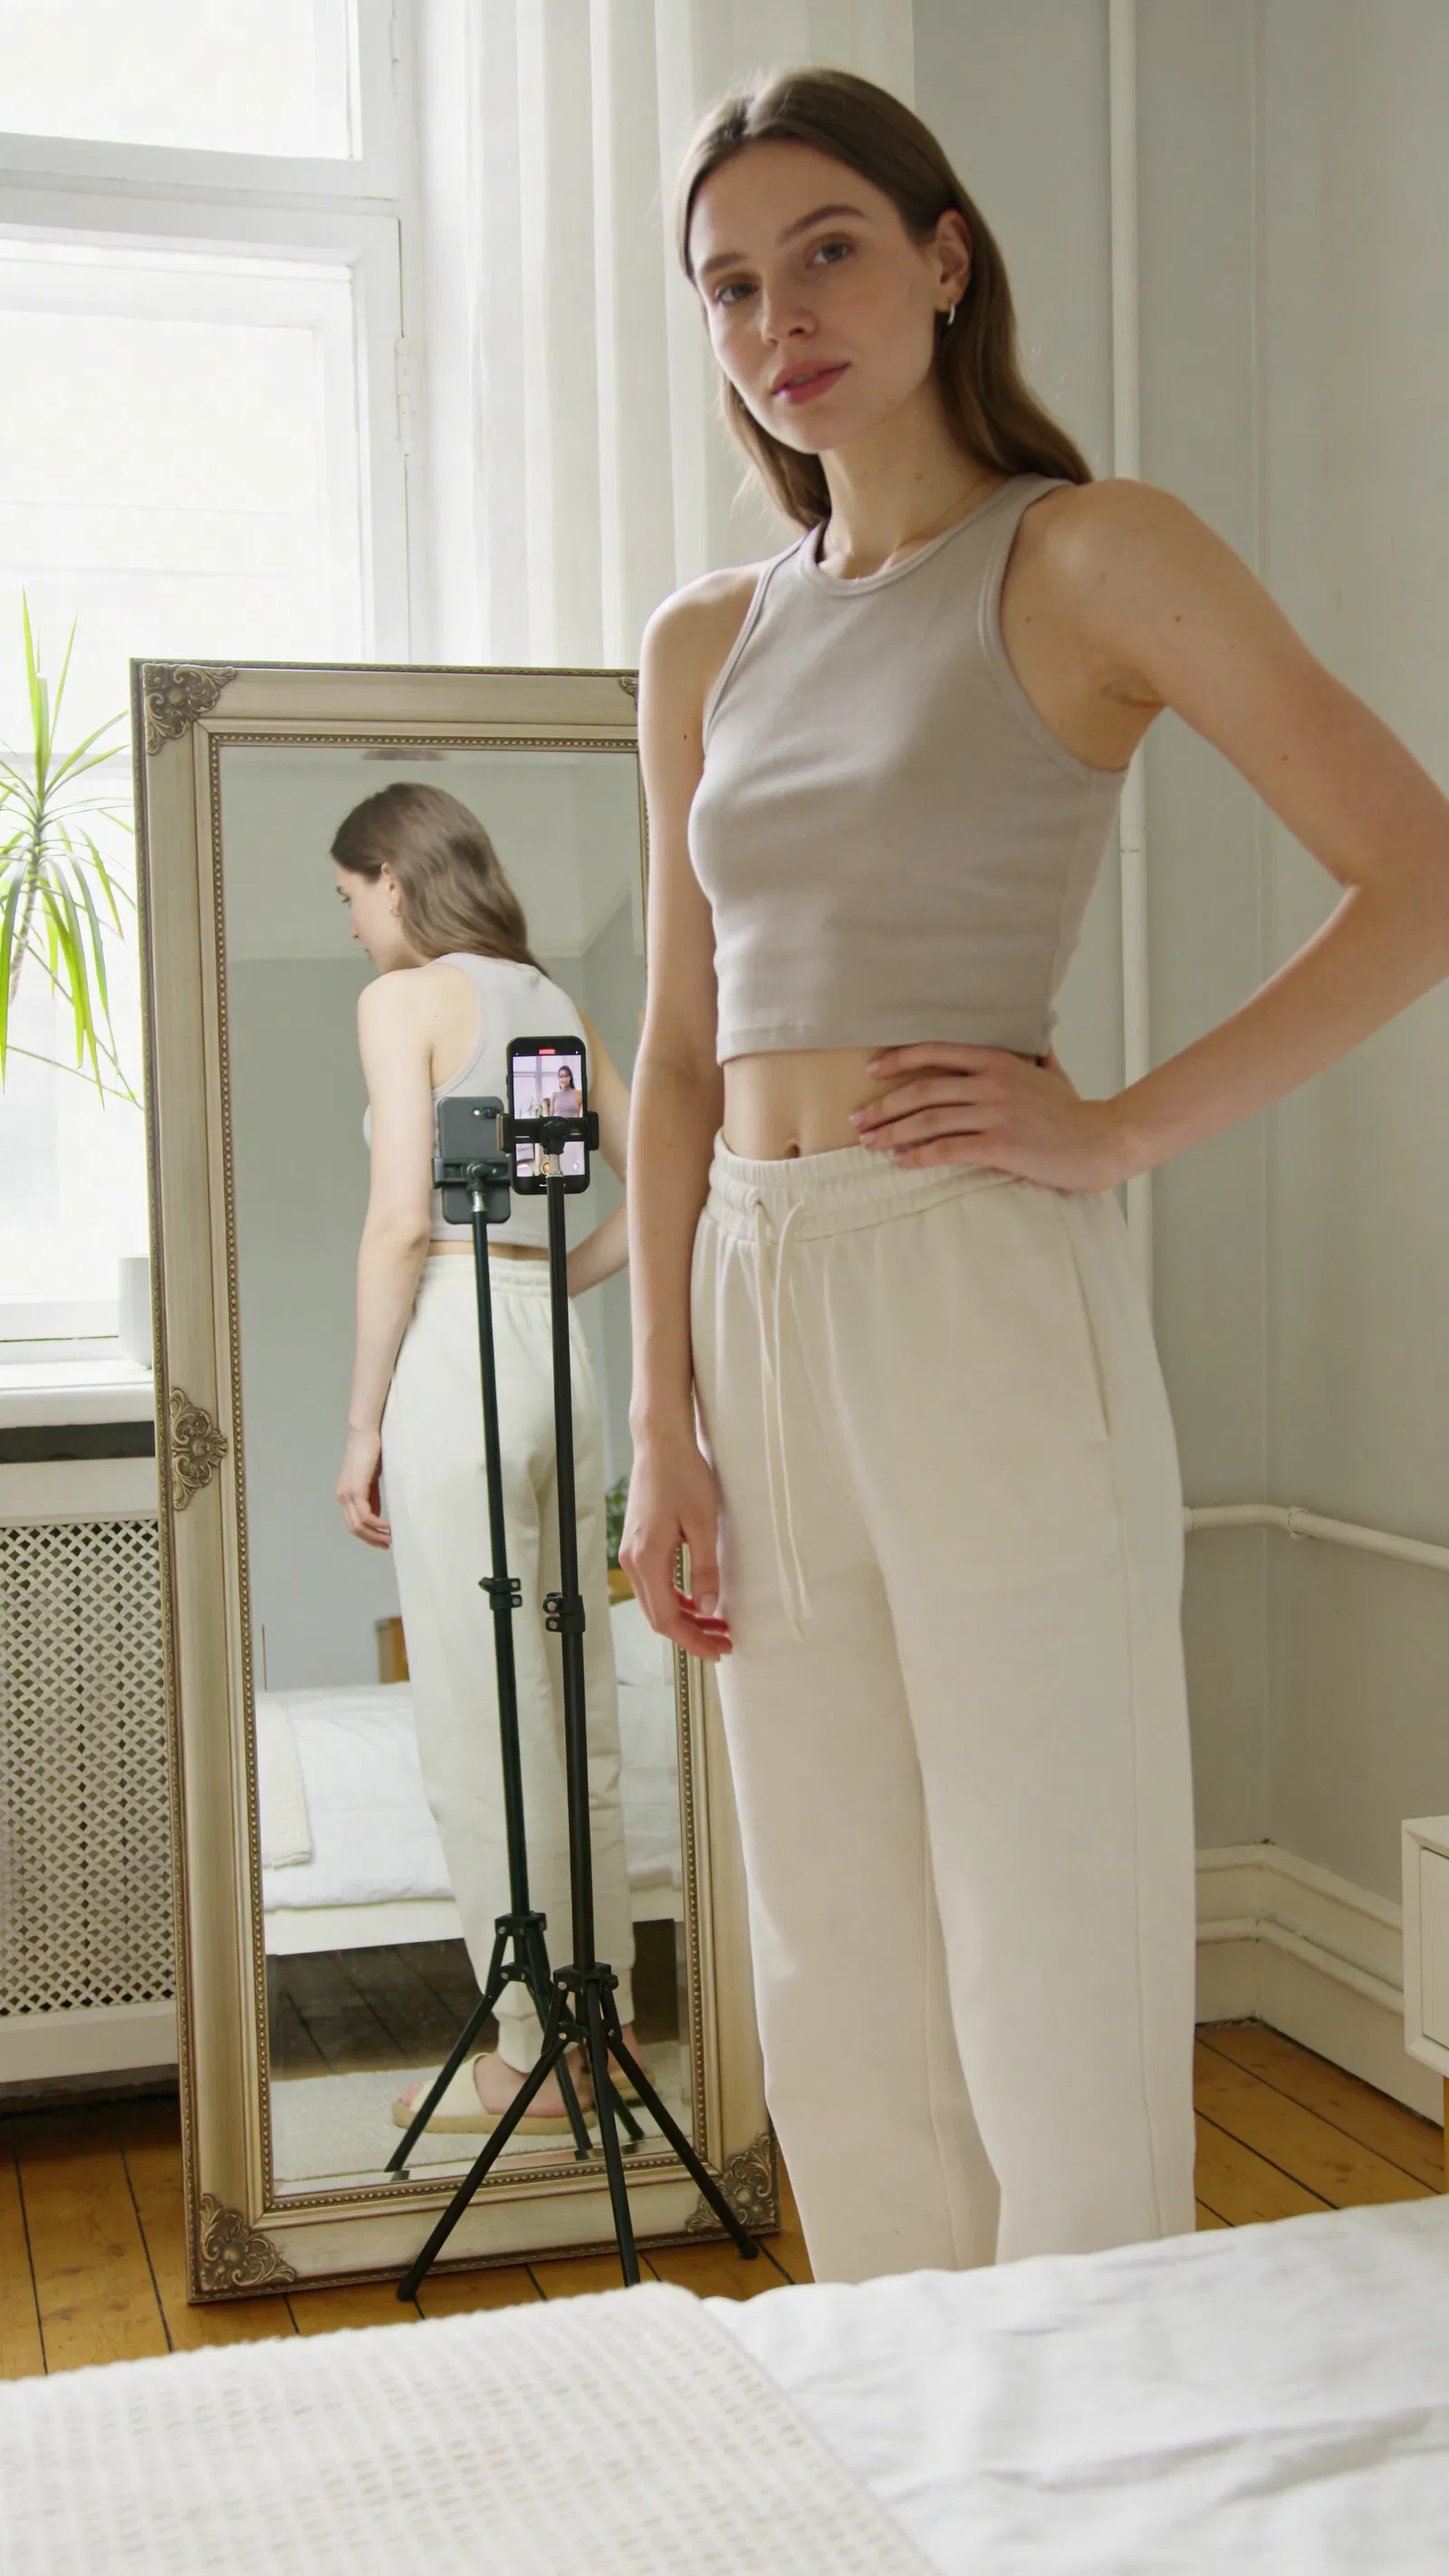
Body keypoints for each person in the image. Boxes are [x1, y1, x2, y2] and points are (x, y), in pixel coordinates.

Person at [619, 66, 1449, 2283]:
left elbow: (1416, 876)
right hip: (751, 1296)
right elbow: (679, 1050)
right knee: (827, 1929)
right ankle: (911, 2433)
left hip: (976, 1271)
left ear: (940, 256)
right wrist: (659, 1429)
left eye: (825, 249)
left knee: (1042, 1896)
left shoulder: (1089, 550)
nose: (777, 315)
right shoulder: (706, 637)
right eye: (726, 284)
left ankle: (1107, 2444)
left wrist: (1113, 1128)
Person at [331, 780, 638, 2136]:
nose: (349, 927)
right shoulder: (549, 1002)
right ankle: (597, 2027)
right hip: (558, 1364)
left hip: (455, 1352)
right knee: (577, 1702)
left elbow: (402, 1224)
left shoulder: (400, 1005)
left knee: (476, 1708)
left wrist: (361, 1423)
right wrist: (558, 1282)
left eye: (349, 896)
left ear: (394, 874)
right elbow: (679, 1171)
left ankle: (522, 2050)